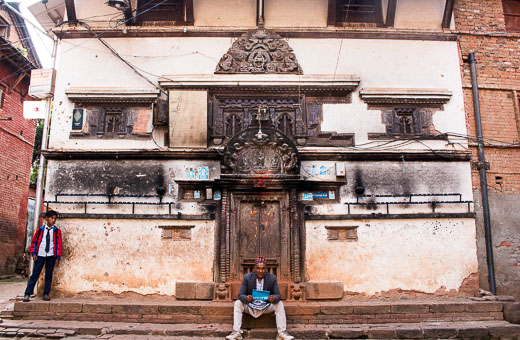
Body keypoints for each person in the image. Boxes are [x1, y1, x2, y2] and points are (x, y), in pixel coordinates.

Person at [226, 256, 294, 340]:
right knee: (238, 303)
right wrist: (247, 298)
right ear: (254, 268)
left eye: (263, 269)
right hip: (251, 306)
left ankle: (281, 333)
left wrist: (273, 298)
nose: (260, 271)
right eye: (258, 268)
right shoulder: (247, 277)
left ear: (266, 269)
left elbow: (278, 295)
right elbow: (240, 295)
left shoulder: (272, 278)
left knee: (279, 304)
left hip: (265, 306)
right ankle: (236, 332)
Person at [23, 210, 62, 302]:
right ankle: (27, 293)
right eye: (51, 218)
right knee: (35, 274)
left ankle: (46, 293)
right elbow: (34, 242)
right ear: (46, 219)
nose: (53, 220)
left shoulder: (57, 231)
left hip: (51, 255)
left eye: (54, 219)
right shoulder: (40, 230)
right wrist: (33, 253)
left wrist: (57, 257)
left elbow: (59, 244)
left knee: (48, 275)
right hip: (40, 254)